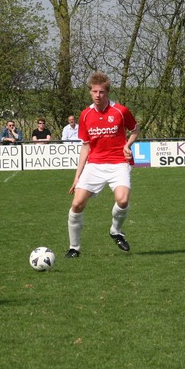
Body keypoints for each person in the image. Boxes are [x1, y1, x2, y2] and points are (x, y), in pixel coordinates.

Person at [67, 71, 139, 257]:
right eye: (94, 91)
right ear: (90, 92)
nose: (98, 95)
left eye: (101, 92)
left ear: (107, 93)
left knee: (122, 200)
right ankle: (74, 248)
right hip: (95, 164)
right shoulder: (85, 115)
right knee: (77, 204)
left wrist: (127, 145)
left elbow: (135, 129)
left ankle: (116, 231)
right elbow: (85, 147)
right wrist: (77, 177)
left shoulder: (120, 111)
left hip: (119, 162)